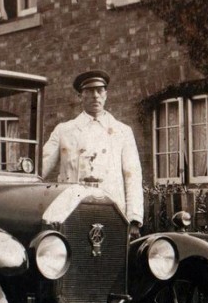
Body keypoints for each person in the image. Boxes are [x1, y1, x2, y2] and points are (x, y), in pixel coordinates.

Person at [42, 69, 143, 239]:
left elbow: (132, 175)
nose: (95, 96)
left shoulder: (122, 131)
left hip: (113, 211)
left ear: (106, 94)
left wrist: (134, 218)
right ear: (80, 96)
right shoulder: (64, 131)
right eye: (89, 91)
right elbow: (41, 168)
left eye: (100, 90)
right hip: (72, 211)